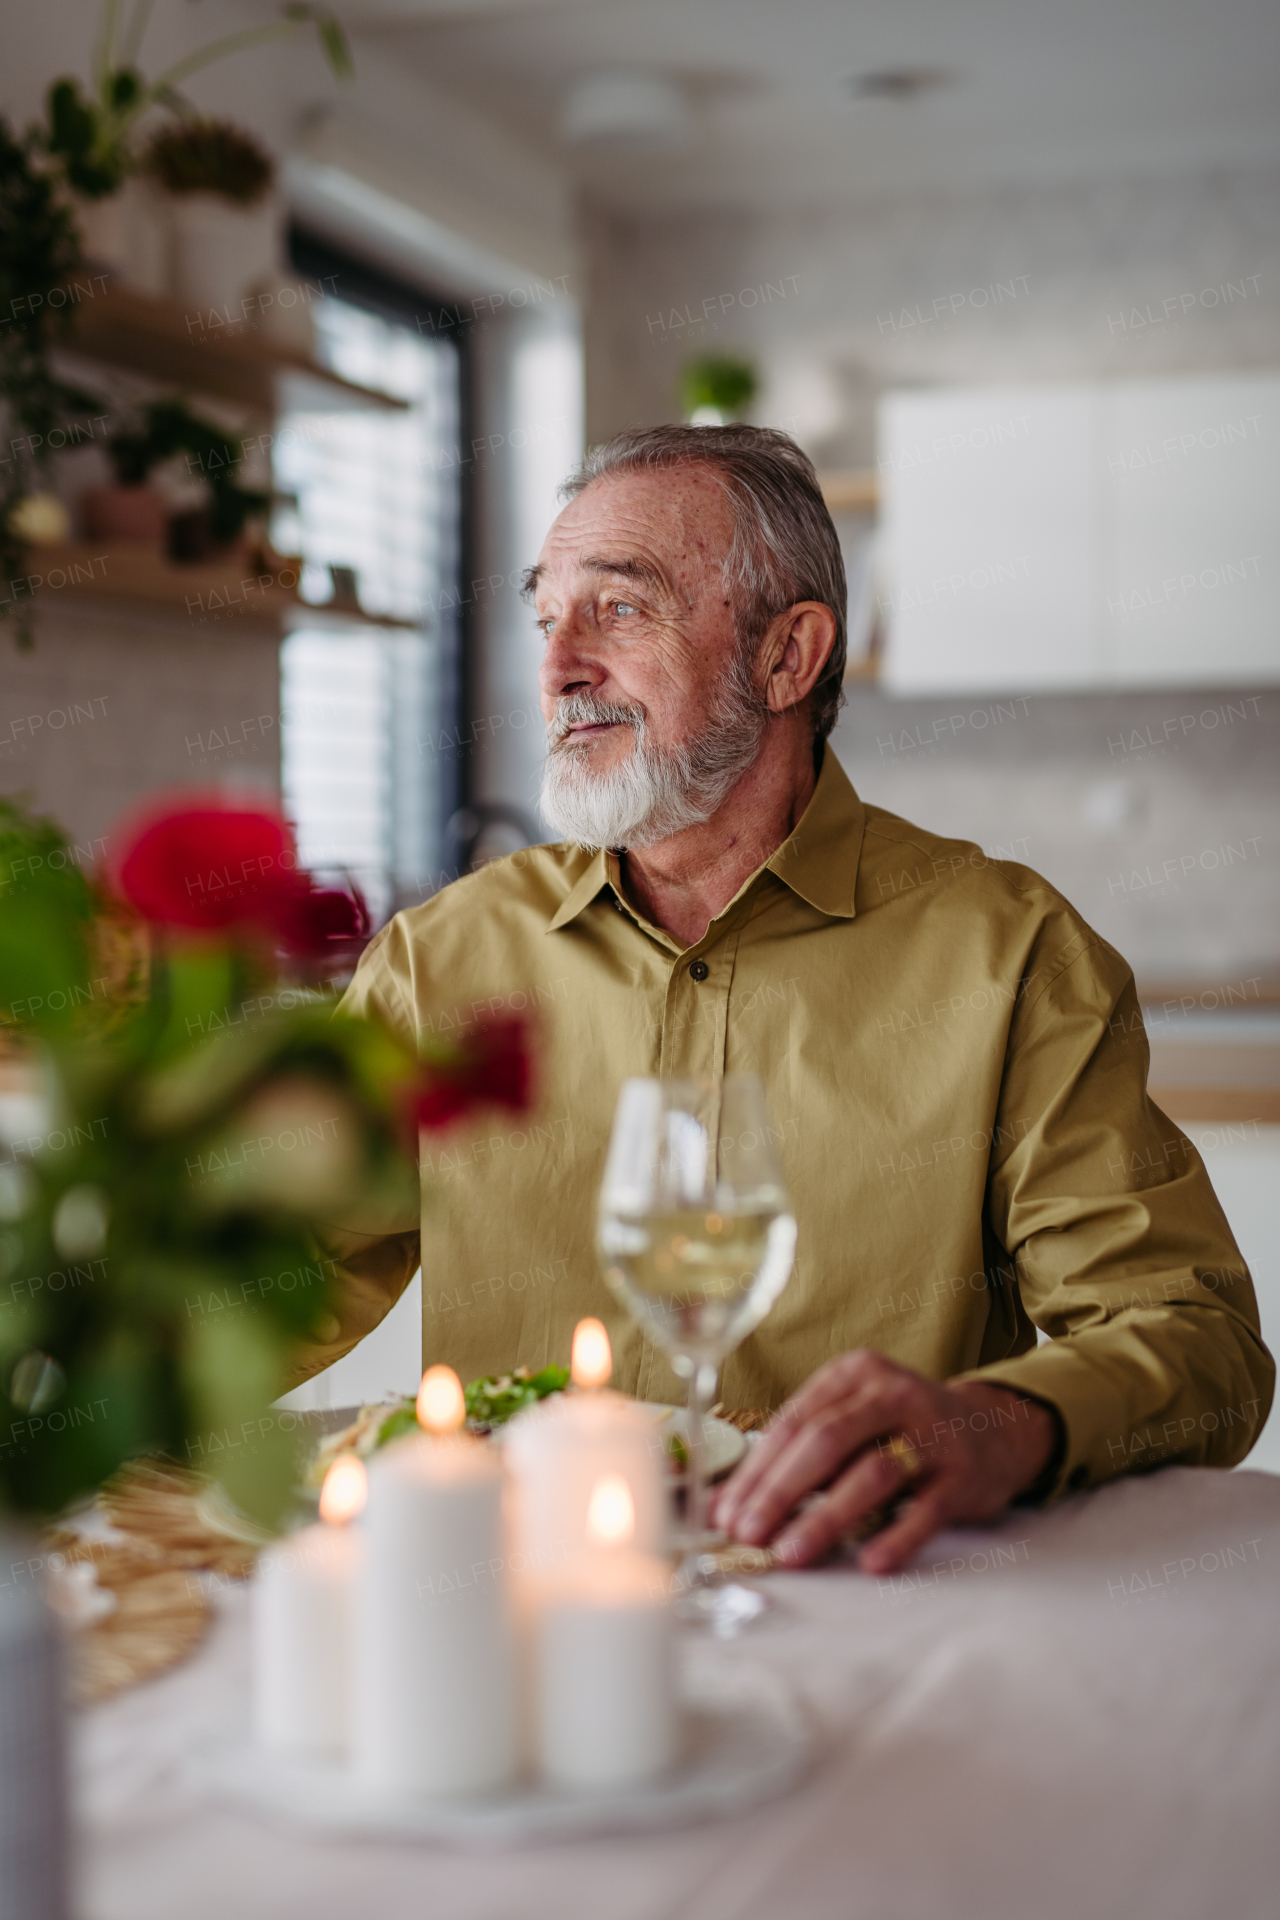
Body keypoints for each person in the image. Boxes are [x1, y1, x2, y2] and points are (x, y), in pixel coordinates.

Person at [301, 424, 1272, 1576]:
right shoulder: (438, 963)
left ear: (784, 656)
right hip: (521, 1604)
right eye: (543, 616)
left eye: (616, 609)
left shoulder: (1007, 954)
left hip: (870, 1594)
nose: (557, 665)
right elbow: (258, 1287)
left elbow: (1195, 1340)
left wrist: (999, 1427)